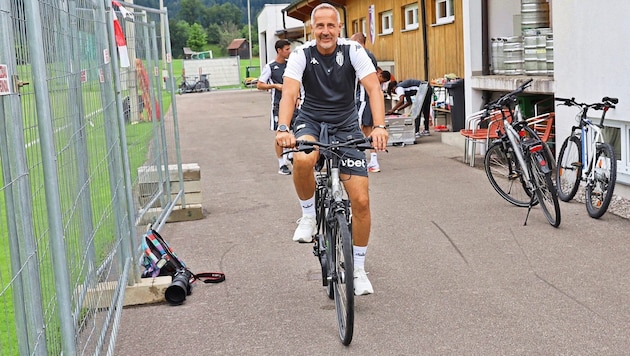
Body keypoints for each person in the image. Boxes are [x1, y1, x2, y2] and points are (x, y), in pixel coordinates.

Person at [276, 3, 388, 296]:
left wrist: (378, 126)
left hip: (347, 126)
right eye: (319, 26)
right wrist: (284, 128)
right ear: (312, 29)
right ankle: (309, 215)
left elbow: (373, 88)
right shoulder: (301, 54)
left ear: (339, 28)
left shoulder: (353, 51)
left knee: (361, 201)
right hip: (311, 121)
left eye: (331, 25)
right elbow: (289, 92)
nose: (325, 31)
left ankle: (359, 269)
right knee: (303, 158)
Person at [350, 32, 390, 173]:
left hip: (363, 97)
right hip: (364, 96)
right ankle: (371, 160)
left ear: (357, 41)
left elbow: (366, 78)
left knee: (359, 127)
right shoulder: (369, 54)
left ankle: (364, 159)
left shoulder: (363, 54)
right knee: (366, 128)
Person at [257, 39, 295, 175]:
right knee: (280, 133)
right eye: (287, 49)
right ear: (279, 50)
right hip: (278, 105)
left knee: (297, 131)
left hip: (294, 104)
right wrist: (274, 85)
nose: (289, 52)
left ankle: (291, 155)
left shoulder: (291, 65)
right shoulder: (270, 67)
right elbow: (260, 84)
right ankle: (281, 164)